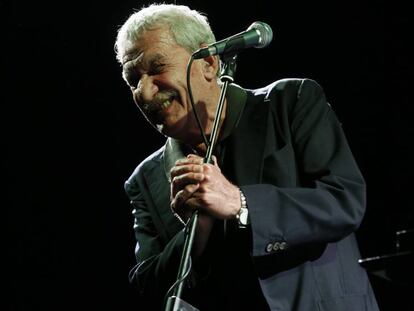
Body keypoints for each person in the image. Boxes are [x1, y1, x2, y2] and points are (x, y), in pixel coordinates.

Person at [115, 3, 379, 311]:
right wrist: (196, 234)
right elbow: (148, 286)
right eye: (133, 79)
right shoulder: (145, 180)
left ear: (209, 63)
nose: (144, 93)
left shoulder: (290, 103)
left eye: (157, 68)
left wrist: (240, 203)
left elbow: (345, 202)